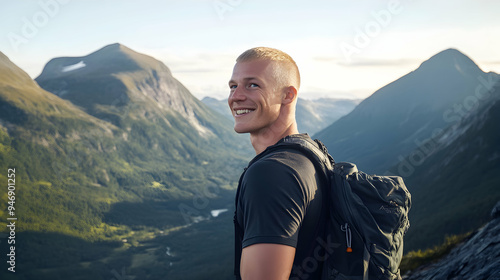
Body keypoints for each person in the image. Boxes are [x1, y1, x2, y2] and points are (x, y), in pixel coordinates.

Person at [229, 47, 328, 280]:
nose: (235, 97)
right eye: (233, 86)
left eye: (252, 85)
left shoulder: (271, 174)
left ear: (288, 95)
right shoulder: (309, 155)